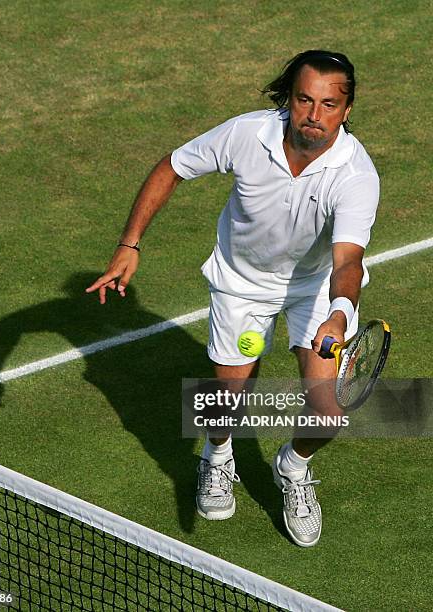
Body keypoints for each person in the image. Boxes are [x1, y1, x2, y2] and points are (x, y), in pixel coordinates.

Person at [86, 50, 380, 547]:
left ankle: (293, 465)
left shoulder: (355, 175)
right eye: (305, 99)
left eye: (330, 104)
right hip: (241, 281)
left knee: (328, 414)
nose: (315, 114)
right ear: (289, 99)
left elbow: (348, 261)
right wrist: (128, 243)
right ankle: (217, 455)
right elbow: (172, 167)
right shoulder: (247, 134)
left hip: (314, 287)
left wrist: (338, 313)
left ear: (346, 110)